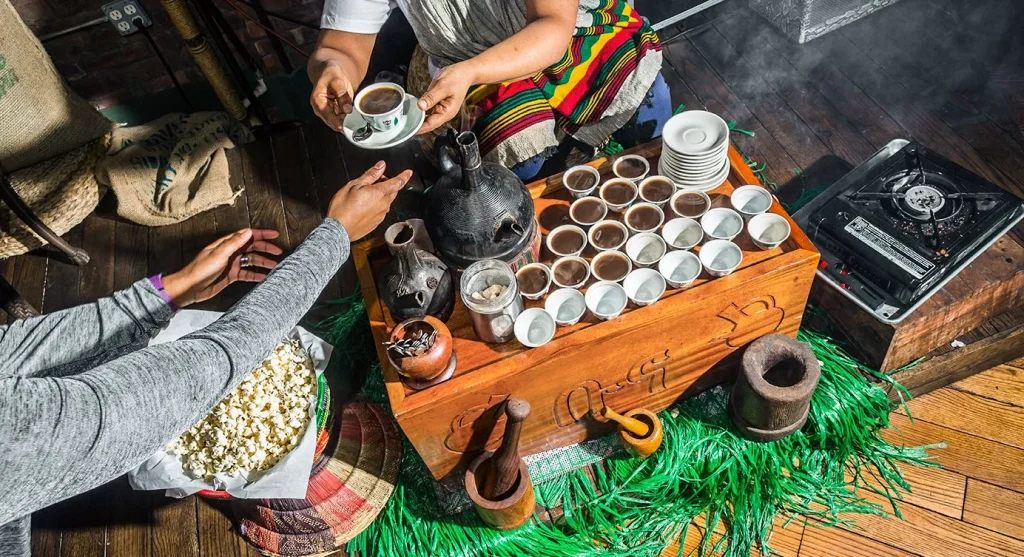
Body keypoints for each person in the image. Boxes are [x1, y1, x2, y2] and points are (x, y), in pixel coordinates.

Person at [0, 162, 412, 557]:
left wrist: (174, 291)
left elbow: (17, 349)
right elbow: (204, 370)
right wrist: (335, 235)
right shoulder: (18, 432)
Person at [309, 0, 670, 180]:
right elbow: (341, 47)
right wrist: (333, 68)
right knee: (515, 162)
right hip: (465, 63)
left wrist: (470, 71)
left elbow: (553, 27)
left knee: (642, 104)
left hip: (571, 34)